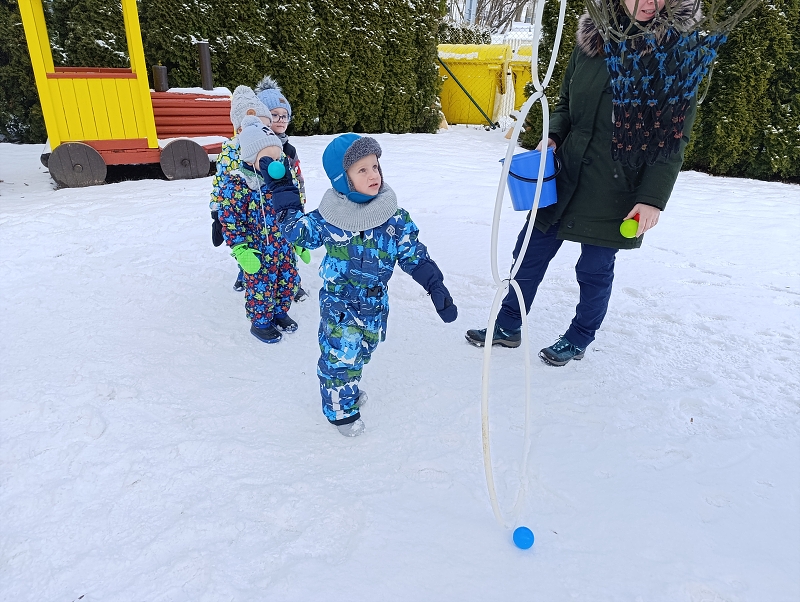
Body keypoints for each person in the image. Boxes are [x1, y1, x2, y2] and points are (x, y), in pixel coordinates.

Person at [465, 0, 699, 366]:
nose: (649, 2)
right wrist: (554, 135)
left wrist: (652, 198)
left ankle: (579, 336)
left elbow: (672, 138)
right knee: (528, 252)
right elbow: (565, 103)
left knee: (593, 268)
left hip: (617, 185)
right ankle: (508, 323)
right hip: (566, 174)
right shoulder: (593, 39)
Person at [264, 134, 458, 436]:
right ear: (343, 179)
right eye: (362, 170)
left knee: (362, 351)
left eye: (375, 166)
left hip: (374, 304)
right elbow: (297, 231)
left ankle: (348, 388)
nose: (373, 175)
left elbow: (413, 254)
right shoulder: (331, 218)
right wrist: (283, 190)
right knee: (341, 357)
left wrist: (435, 285)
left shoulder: (394, 219)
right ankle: (340, 412)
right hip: (340, 303)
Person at [213, 115, 299, 344]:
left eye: (278, 158)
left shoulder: (282, 182)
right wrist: (241, 249)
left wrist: (298, 239)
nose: (276, 164)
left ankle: (280, 312)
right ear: (251, 159)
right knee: (261, 288)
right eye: (268, 159)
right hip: (257, 250)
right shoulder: (238, 185)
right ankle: (260, 323)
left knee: (288, 281)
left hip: (283, 246)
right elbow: (230, 220)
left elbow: (293, 208)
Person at [210, 86, 273, 292]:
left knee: (274, 243)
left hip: (268, 208)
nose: (264, 131)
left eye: (267, 126)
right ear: (240, 129)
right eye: (258, 126)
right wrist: (217, 211)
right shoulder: (230, 153)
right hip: (242, 211)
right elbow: (221, 183)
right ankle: (244, 273)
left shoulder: (272, 146)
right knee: (246, 246)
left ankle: (283, 278)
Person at [255, 75, 310, 302]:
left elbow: (298, 178)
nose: (280, 120)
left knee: (288, 244)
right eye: (274, 115)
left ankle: (292, 284)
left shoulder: (289, 149)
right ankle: (249, 277)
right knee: (259, 247)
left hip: (285, 207)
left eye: (284, 115)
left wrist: (300, 204)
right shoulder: (252, 147)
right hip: (259, 211)